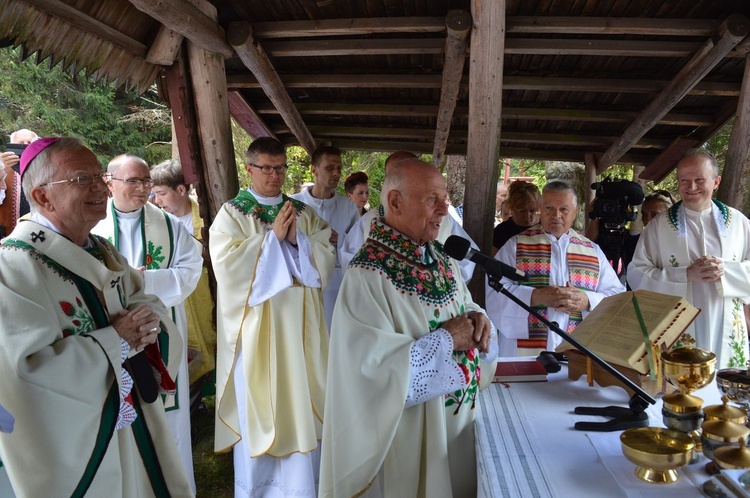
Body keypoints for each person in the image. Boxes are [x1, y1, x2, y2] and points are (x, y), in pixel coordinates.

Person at [0, 137, 193, 496]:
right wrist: (115, 341)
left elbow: (147, 304)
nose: (99, 189)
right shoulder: (14, 266)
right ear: (42, 197)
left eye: (98, 177)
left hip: (131, 422)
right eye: (80, 179)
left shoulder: (102, 250)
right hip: (81, 442)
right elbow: (21, 374)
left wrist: (152, 326)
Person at [320, 158, 497, 497]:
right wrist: (446, 340)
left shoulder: (443, 260)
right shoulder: (367, 275)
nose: (445, 209)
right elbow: (368, 371)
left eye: (445, 198)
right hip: (408, 435)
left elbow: (461, 305)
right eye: (433, 199)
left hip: (454, 424)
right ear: (396, 202)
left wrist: (478, 318)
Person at [209, 137, 335, 497]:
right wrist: (271, 241)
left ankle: (303, 488)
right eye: (266, 168)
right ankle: (261, 489)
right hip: (258, 334)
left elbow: (325, 253)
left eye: (280, 168)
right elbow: (227, 268)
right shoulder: (233, 214)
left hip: (301, 333)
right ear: (249, 169)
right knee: (261, 407)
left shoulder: (303, 212)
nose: (275, 175)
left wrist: (298, 242)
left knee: (303, 401)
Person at [93, 154, 202, 491]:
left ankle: (173, 485)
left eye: (146, 182)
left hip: (161, 326)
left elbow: (190, 270)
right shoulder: (94, 226)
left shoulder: (169, 225)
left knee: (167, 414)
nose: (142, 189)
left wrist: (142, 283)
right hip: (112, 329)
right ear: (110, 182)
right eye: (133, 181)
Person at [628, 149, 750, 368]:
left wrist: (726, 271)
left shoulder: (738, 224)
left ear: (716, 181)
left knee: (725, 393)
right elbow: (637, 273)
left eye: (699, 180)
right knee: (681, 391)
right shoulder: (659, 227)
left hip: (727, 325)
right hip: (678, 326)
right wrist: (684, 274)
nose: (691, 187)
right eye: (685, 180)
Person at [486, 180, 625, 357]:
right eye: (549, 208)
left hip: (578, 353)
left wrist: (587, 300)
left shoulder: (592, 251)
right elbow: (493, 289)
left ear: (574, 213)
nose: (556, 215)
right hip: (526, 353)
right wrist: (536, 296)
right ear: (541, 209)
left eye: (564, 209)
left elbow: (618, 297)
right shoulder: (515, 245)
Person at [340, 151, 478, 282]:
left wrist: (442, 281)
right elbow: (349, 260)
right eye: (395, 174)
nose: (442, 210)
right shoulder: (368, 220)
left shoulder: (444, 220)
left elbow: (468, 258)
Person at [151, 159, 217, 389]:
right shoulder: (156, 222)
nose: (156, 201)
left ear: (181, 190)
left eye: (161, 194)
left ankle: (206, 392)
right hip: (174, 300)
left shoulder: (207, 217)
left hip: (205, 294)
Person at [292, 145, 360, 328]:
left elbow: (359, 247)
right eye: (330, 168)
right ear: (314, 169)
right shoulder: (295, 204)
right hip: (302, 281)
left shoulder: (348, 207)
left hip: (336, 283)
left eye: (339, 168)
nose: (336, 173)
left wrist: (342, 241)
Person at [0, 129, 38, 237]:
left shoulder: (45, 169)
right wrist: (1, 170)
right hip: (6, 236)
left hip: (37, 236)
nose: (26, 146)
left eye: (30, 143)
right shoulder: (2, 167)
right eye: (21, 143)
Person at [492, 181, 542, 253]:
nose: (528, 216)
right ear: (512, 207)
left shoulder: (545, 227)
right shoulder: (500, 233)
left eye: (532, 211)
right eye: (522, 211)